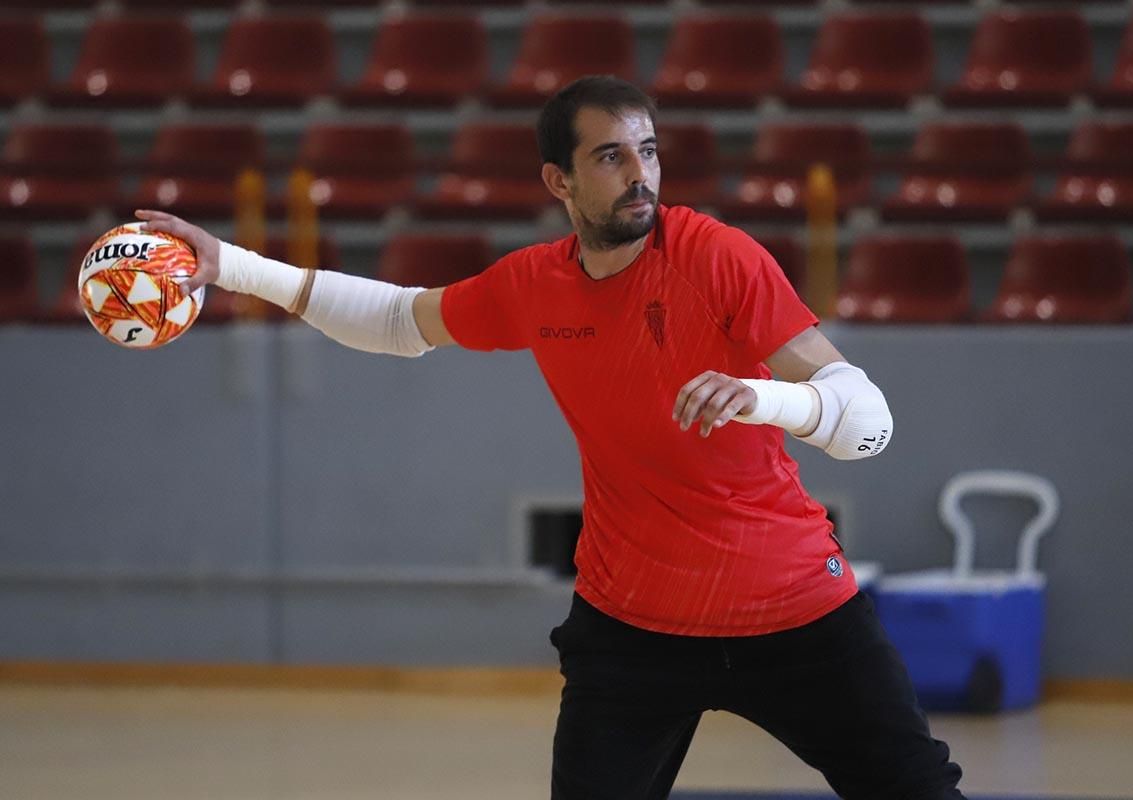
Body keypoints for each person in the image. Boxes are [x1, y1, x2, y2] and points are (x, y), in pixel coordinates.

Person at [138, 75, 965, 800]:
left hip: (791, 609)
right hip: (632, 624)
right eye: (611, 156)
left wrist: (759, 397)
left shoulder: (717, 256)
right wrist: (233, 268)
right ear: (558, 180)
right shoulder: (537, 284)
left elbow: (868, 424)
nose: (640, 173)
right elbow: (398, 319)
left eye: (648, 150)